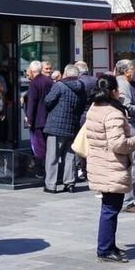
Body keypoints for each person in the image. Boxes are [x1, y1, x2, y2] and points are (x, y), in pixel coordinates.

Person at [84, 74, 135, 262]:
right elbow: (118, 144)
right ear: (113, 91)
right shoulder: (112, 113)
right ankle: (104, 249)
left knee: (109, 207)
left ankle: (108, 245)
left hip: (99, 162)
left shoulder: (94, 108)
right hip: (111, 165)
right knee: (110, 209)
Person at [42, 65, 87, 193]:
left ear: (65, 74)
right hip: (72, 125)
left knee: (52, 157)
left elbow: (48, 101)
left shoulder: (59, 85)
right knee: (70, 156)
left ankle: (51, 184)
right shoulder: (81, 88)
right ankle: (70, 183)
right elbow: (82, 105)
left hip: (56, 126)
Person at [114, 58, 135, 213]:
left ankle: (128, 199)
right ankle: (128, 201)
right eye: (133, 69)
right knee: (132, 164)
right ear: (127, 71)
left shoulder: (122, 83)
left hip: (129, 127)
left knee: (131, 164)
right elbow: (126, 107)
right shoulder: (123, 85)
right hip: (130, 128)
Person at [23, 60, 53, 171]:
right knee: (48, 147)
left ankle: (41, 170)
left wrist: (29, 120)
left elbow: (32, 102)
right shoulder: (49, 81)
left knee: (39, 147)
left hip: (37, 121)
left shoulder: (34, 83)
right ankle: (48, 170)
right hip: (48, 119)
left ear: (31, 71)